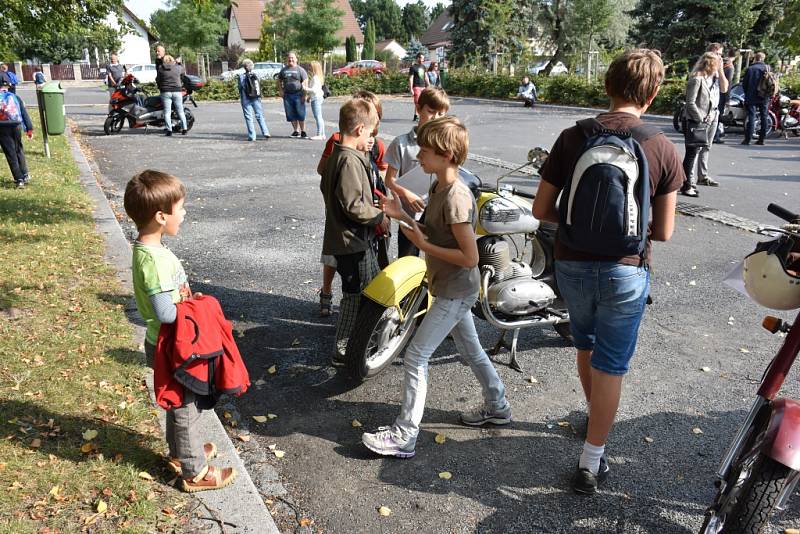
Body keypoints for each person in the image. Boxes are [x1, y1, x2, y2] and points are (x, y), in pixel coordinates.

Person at [532, 49, 683, 495]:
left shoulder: (572, 136)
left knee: (585, 342)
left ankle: (592, 417)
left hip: (572, 263)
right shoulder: (661, 146)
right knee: (612, 363)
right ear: (653, 94)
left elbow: (542, 209)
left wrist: (580, 226)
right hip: (626, 269)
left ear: (606, 86)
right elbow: (666, 232)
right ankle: (592, 459)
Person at [362, 116, 511, 459]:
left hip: (456, 290)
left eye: (425, 151)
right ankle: (498, 405)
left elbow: (470, 256)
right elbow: (429, 233)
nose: (418, 157)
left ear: (445, 155)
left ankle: (405, 435)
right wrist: (399, 214)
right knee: (471, 351)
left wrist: (425, 248)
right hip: (448, 286)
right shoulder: (437, 187)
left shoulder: (457, 198)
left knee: (415, 356)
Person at [123, 170, 237, 492]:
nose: (184, 213)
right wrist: (191, 309)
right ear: (161, 216)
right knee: (186, 406)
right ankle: (194, 471)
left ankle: (180, 452)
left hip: (165, 341)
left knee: (178, 402)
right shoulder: (156, 261)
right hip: (173, 345)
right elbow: (164, 312)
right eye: (180, 208)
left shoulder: (148, 249)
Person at [320, 99, 389, 366]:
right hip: (352, 242)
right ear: (360, 129)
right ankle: (344, 347)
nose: (372, 139)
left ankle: (358, 340)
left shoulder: (339, 154)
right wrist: (379, 216)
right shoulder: (349, 160)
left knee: (368, 289)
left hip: (352, 240)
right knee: (354, 295)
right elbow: (352, 206)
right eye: (371, 133)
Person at [384, 87, 450, 257]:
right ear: (419, 109)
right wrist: (407, 194)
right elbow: (389, 181)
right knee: (408, 260)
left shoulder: (446, 144)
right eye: (431, 111)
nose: (435, 117)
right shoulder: (401, 143)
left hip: (437, 212)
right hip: (409, 213)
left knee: (438, 259)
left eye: (441, 114)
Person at [681, 52, 722, 197]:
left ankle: (687, 184)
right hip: (693, 121)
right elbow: (690, 103)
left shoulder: (707, 79)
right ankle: (686, 186)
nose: (718, 68)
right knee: (691, 154)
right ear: (711, 65)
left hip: (702, 121)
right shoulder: (697, 79)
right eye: (717, 65)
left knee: (693, 153)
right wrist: (700, 118)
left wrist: (709, 115)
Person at [0, 78, 33, 188]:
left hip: (2, 127)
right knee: (18, 149)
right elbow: (24, 113)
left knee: (10, 153)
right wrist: (29, 129)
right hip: (16, 125)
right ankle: (25, 174)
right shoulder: (14, 97)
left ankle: (19, 179)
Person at [237, 59, 271, 142]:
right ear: (252, 66)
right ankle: (265, 132)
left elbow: (240, 88)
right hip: (256, 98)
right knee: (259, 115)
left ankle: (252, 136)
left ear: (244, 67)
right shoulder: (256, 75)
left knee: (249, 117)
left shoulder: (241, 76)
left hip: (246, 99)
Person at [277, 52, 309, 138]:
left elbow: (305, 82)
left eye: (292, 58)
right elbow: (279, 80)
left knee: (300, 113)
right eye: (289, 58)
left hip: (298, 94)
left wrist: (304, 95)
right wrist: (280, 90)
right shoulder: (283, 70)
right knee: (290, 114)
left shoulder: (300, 70)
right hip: (287, 95)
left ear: (296, 59)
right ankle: (296, 131)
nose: (290, 59)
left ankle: (303, 131)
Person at [741, 51, 770, 146]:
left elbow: (744, 84)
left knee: (751, 117)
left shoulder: (750, 69)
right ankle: (761, 139)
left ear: (755, 58)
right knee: (764, 117)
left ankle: (748, 139)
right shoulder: (767, 68)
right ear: (763, 59)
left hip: (751, 96)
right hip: (764, 96)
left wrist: (747, 93)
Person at [156, 55, 188, 137]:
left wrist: (160, 87)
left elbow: (158, 80)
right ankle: (184, 129)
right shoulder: (177, 67)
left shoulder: (160, 68)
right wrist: (179, 63)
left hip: (165, 92)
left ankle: (169, 130)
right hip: (177, 91)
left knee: (167, 112)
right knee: (180, 111)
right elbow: (183, 72)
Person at [714, 48, 736, 144]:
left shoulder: (721, 62)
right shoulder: (730, 66)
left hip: (714, 91)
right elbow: (728, 83)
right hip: (722, 94)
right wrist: (728, 98)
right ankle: (715, 136)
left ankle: (714, 134)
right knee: (718, 115)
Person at [306, 61, 326, 140]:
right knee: (319, 116)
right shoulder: (317, 77)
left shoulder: (315, 78)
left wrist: (304, 88)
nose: (309, 67)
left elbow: (314, 90)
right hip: (317, 97)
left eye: (310, 66)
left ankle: (319, 134)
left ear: (314, 68)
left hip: (316, 99)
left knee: (318, 117)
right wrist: (309, 97)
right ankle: (322, 134)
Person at [408, 53, 430, 121]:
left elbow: (426, 77)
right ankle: (418, 116)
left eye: (423, 58)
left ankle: (416, 115)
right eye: (421, 58)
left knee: (422, 102)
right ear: (418, 58)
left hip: (423, 86)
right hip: (416, 86)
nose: (423, 59)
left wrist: (428, 85)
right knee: (417, 102)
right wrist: (411, 88)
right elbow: (411, 78)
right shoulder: (413, 67)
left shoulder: (423, 67)